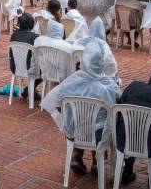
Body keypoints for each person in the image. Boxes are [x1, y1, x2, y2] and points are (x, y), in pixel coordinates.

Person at [42, 41, 120, 176]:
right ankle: (97, 160)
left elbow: (55, 101)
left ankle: (77, 153)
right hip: (99, 135)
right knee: (104, 124)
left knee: (80, 123)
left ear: (83, 61)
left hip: (76, 132)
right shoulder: (109, 85)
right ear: (101, 63)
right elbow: (117, 107)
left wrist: (71, 116)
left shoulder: (71, 81)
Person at [9, 12, 40, 99]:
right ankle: (29, 89)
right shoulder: (35, 37)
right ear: (31, 24)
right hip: (30, 68)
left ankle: (30, 89)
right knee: (45, 69)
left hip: (15, 67)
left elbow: (11, 54)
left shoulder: (13, 36)